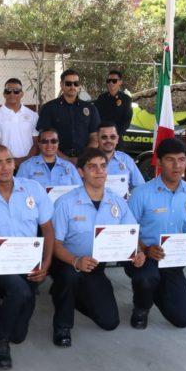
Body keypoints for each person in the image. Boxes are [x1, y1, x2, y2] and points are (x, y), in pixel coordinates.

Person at [0, 145, 53, 370]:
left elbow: (48, 229)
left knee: (20, 334)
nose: (4, 167)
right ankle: (0, 342)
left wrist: (45, 264)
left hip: (28, 261)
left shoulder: (33, 189)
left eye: (8, 161)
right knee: (20, 291)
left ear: (14, 163)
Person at [51, 148, 145, 347]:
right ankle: (62, 325)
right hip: (68, 262)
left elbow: (131, 234)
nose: (99, 171)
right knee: (69, 277)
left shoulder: (117, 202)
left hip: (95, 266)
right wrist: (76, 261)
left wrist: (137, 252)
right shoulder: (65, 203)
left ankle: (69, 294)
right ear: (80, 172)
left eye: (103, 166)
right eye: (92, 167)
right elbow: (55, 244)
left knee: (109, 322)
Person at [125, 138, 186, 329]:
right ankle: (141, 307)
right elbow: (128, 230)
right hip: (143, 258)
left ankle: (156, 289)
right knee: (146, 278)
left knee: (182, 319)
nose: (177, 166)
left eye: (181, 159)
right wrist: (144, 248)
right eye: (170, 160)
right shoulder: (141, 193)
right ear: (159, 162)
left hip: (173, 260)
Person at [37, 69, 100, 162]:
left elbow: (94, 137)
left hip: (84, 160)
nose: (72, 86)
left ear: (79, 86)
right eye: (68, 83)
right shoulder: (49, 108)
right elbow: (44, 139)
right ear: (61, 85)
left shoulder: (90, 108)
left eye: (76, 83)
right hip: (56, 160)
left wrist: (83, 158)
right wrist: (65, 159)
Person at [16, 128, 82, 189]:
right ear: (39, 144)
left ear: (58, 143)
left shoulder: (68, 167)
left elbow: (80, 191)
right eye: (44, 141)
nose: (49, 145)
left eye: (53, 141)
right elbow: (19, 192)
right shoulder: (26, 167)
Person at [0, 78, 38, 166]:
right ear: (4, 94)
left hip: (28, 163)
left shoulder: (33, 115)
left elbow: (37, 143)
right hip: (4, 164)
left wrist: (26, 161)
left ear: (22, 94)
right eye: (8, 91)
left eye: (16, 91)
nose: (12, 94)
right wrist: (8, 161)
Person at [97, 121, 145, 192]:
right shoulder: (88, 160)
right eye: (104, 137)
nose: (108, 140)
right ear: (97, 139)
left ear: (117, 139)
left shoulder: (126, 160)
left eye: (112, 137)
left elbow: (140, 188)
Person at [94, 70, 133, 145]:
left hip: (117, 138)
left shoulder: (126, 99)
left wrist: (115, 134)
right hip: (102, 138)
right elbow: (96, 117)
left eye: (114, 81)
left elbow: (127, 120)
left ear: (120, 82)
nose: (111, 83)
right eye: (108, 81)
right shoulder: (101, 98)